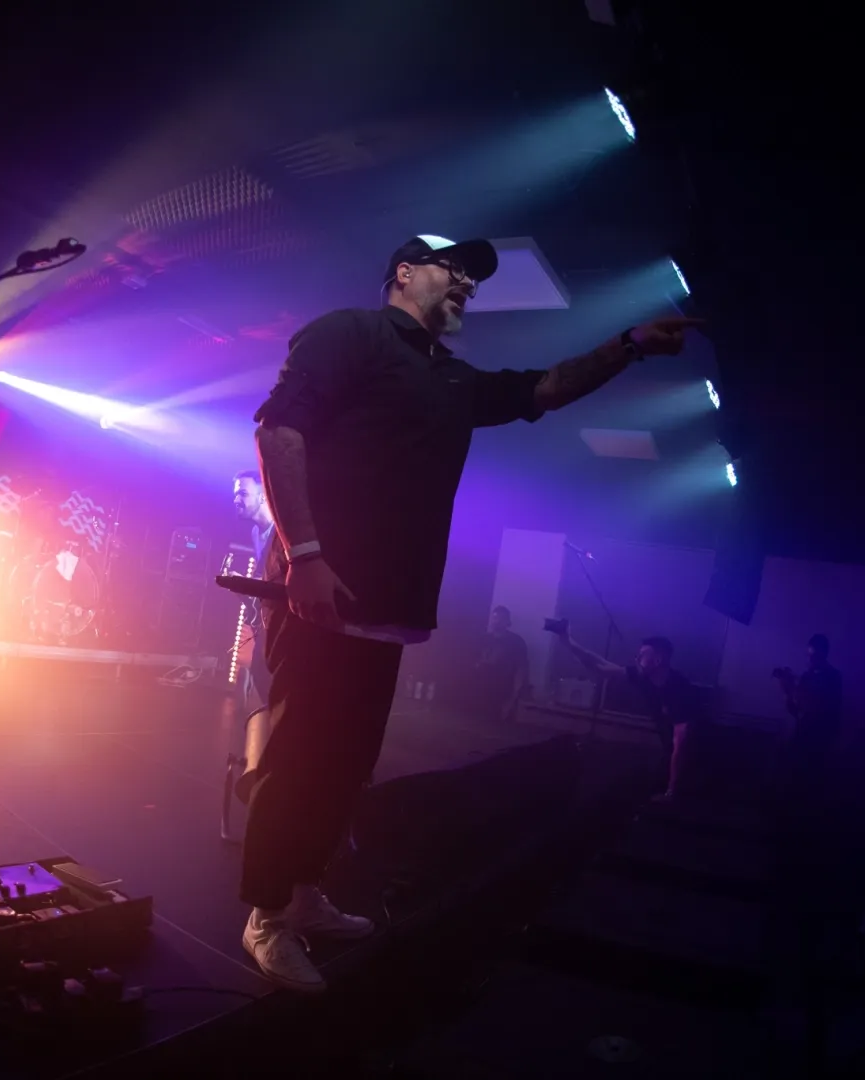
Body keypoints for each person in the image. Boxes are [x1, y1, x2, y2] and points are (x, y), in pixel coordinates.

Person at [239, 233, 700, 991]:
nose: (468, 285)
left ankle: (302, 893)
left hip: (386, 607)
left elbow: (544, 389)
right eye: (455, 269)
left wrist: (631, 346)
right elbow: (278, 430)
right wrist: (308, 555)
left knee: (348, 763)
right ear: (405, 272)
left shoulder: (449, 377)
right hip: (322, 592)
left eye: (473, 279)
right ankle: (264, 917)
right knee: (298, 760)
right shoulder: (348, 334)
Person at [557, 629, 705, 802]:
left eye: (642, 655)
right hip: (670, 750)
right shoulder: (642, 676)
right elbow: (600, 666)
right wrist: (566, 639)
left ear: (657, 661)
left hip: (696, 758)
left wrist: (672, 791)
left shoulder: (679, 690)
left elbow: (681, 745)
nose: (637, 658)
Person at [232, 470, 276, 706]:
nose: (236, 500)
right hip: (266, 619)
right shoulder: (255, 532)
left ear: (263, 496)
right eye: (235, 494)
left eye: (243, 493)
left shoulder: (281, 532)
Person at [775, 633, 843, 756]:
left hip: (821, 743)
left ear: (824, 655)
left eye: (814, 656)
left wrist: (796, 691)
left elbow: (823, 709)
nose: (810, 660)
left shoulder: (834, 677)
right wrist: (787, 692)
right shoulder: (806, 676)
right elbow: (796, 712)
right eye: (808, 655)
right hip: (802, 737)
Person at [472, 605, 529, 724]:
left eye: (500, 619)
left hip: (502, 692)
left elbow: (521, 670)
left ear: (508, 622)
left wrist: (513, 698)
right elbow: (473, 662)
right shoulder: (483, 638)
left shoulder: (516, 642)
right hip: (480, 691)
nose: (496, 622)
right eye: (494, 618)